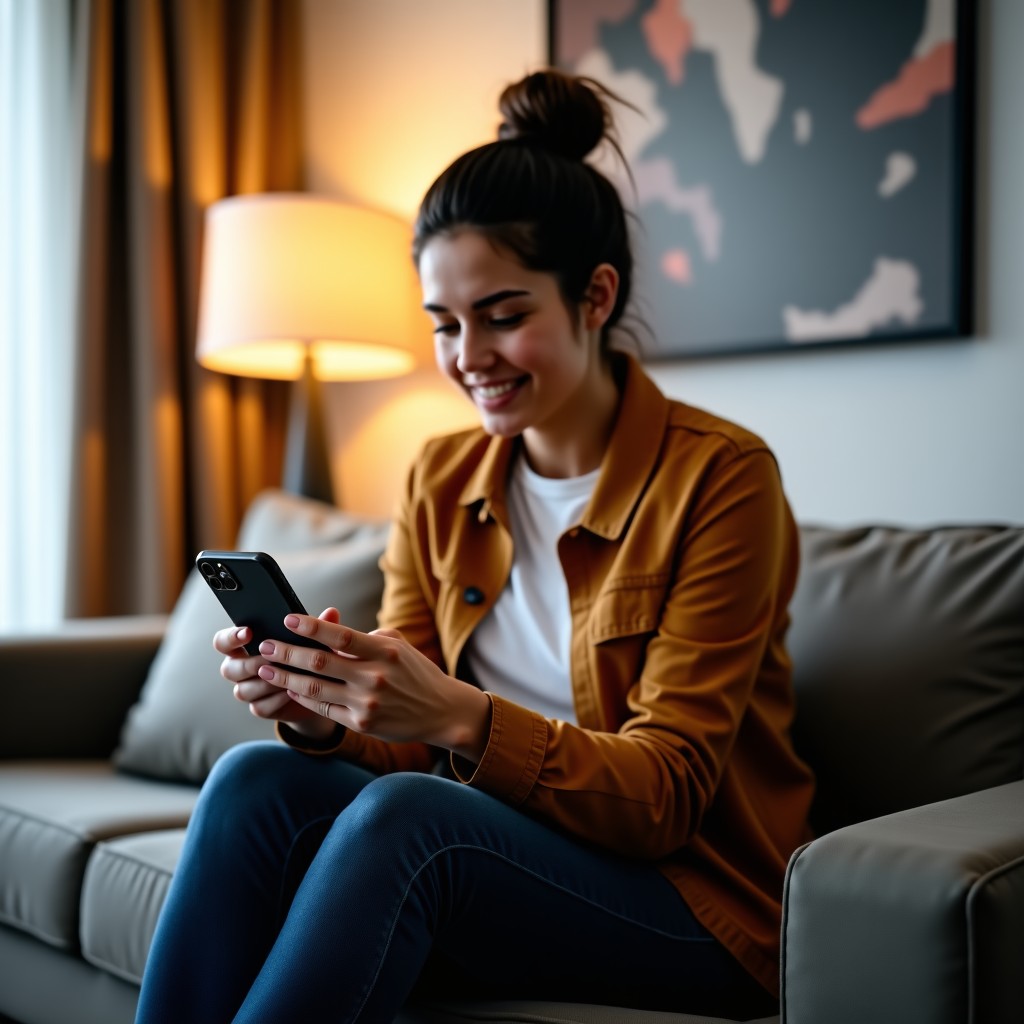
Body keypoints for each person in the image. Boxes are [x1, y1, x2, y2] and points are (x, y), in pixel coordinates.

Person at [134, 69, 814, 1024]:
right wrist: (325, 714)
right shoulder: (441, 478)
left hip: (692, 898)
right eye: (445, 325)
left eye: (503, 316)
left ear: (594, 296)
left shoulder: (723, 477)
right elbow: (402, 740)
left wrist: (459, 715)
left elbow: (667, 794)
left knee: (416, 824)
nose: (467, 358)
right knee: (258, 777)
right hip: (500, 847)